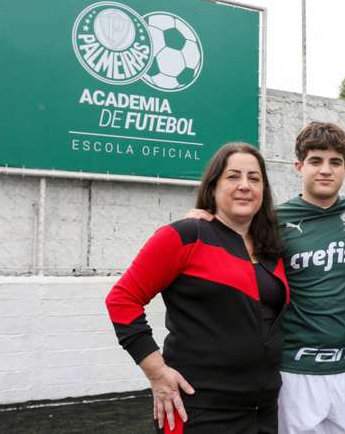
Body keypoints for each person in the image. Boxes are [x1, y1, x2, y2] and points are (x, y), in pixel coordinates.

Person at [187, 122, 345, 434]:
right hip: (295, 366)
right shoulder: (272, 220)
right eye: (315, 161)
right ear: (298, 166)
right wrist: (202, 219)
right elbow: (231, 238)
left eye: (335, 162)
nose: (326, 170)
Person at [105, 142, 289, 434]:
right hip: (199, 408)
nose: (244, 185)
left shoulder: (272, 249)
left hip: (263, 409)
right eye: (233, 176)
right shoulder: (186, 235)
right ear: (213, 186)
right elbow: (122, 299)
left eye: (254, 178)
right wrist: (157, 372)